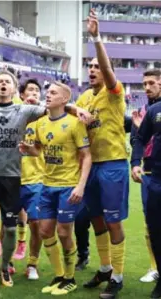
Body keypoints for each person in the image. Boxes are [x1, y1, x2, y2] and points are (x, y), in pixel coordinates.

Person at [0, 71, 90, 288]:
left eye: (8, 82)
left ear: (14, 90)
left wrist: (75, 108)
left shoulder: (25, 110)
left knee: (11, 227)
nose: (3, 84)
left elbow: (56, 107)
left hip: (12, 178)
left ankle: (5, 268)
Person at [20, 82, 92, 295]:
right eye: (48, 92)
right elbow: (38, 151)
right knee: (44, 231)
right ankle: (59, 275)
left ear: (64, 99)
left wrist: (80, 186)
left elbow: (87, 155)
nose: (47, 95)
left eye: (53, 93)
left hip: (67, 186)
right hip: (47, 185)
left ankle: (70, 278)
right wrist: (28, 149)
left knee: (63, 232)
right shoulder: (40, 123)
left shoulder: (74, 123)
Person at [77, 9, 129, 298]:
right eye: (90, 66)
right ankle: (106, 267)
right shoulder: (85, 97)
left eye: (98, 66)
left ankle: (118, 276)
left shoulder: (114, 92)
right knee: (96, 218)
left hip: (113, 164)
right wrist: (76, 110)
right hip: (91, 167)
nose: (93, 69)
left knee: (112, 220)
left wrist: (95, 37)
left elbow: (109, 72)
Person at [130, 69, 161, 283]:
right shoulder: (152, 111)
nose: (147, 87)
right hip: (153, 174)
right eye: (144, 84)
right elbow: (138, 139)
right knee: (154, 226)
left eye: (152, 82)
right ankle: (157, 272)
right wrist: (135, 163)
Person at [17, 79, 45, 280]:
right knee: (8, 224)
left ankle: (32, 264)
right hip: (12, 178)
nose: (33, 93)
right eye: (30, 90)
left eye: (37, 90)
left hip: (36, 179)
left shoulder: (44, 121)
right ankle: (7, 263)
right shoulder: (11, 116)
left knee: (36, 224)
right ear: (21, 95)